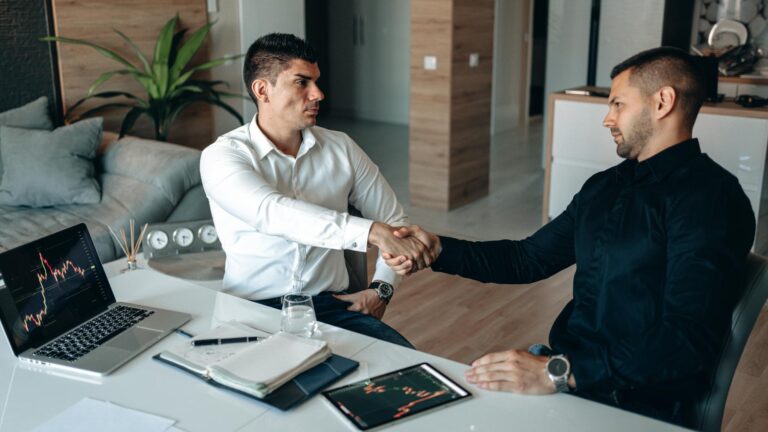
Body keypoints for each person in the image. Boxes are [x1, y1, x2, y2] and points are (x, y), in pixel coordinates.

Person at [384, 47, 756, 426]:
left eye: (617, 104)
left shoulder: (711, 200)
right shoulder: (603, 187)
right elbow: (527, 258)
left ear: (662, 102)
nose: (607, 119)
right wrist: (438, 248)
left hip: (637, 402)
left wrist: (555, 373)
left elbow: (687, 343)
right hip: (566, 376)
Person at [200, 33, 434, 348]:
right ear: (262, 90)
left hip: (330, 307)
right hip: (250, 310)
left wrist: (382, 289)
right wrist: (370, 232)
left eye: (316, 82)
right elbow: (272, 213)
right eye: (302, 82)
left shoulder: (342, 148)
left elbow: (395, 222)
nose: (318, 94)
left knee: (407, 370)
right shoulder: (222, 156)